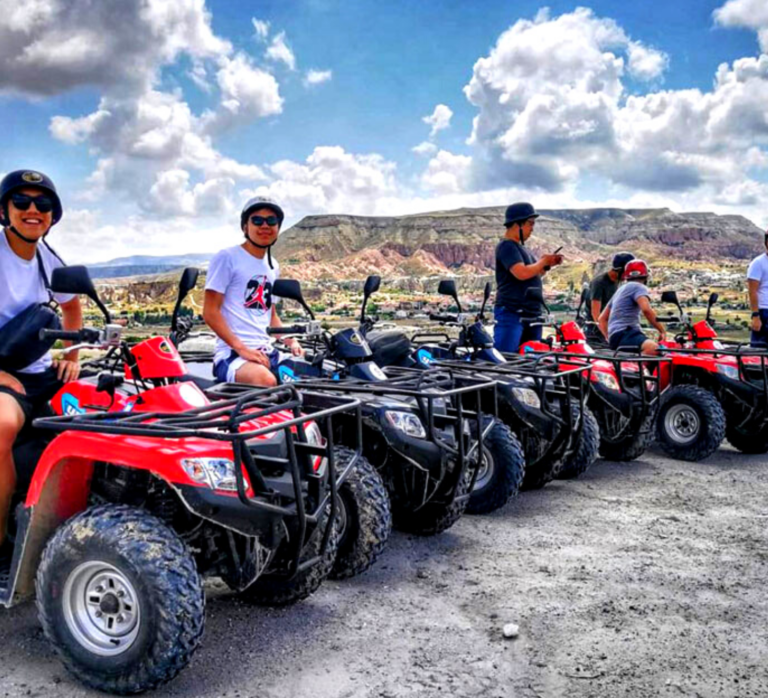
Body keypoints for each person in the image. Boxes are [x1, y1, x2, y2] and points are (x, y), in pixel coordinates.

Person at [0, 170, 82, 559]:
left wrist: (71, 354)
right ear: (5, 210)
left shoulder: (49, 261)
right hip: (3, 373)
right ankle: (1, 542)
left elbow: (72, 304)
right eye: (22, 202)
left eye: (43, 204)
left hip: (38, 371)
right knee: (3, 423)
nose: (34, 210)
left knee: (107, 405)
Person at [203, 196, 303, 387]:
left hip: (267, 351)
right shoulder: (227, 257)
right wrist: (242, 349)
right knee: (265, 381)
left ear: (278, 228)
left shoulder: (273, 266)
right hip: (233, 355)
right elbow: (210, 312)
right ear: (245, 227)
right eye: (257, 220)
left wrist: (291, 341)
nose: (265, 225)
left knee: (311, 378)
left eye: (271, 221)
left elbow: (270, 315)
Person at [493, 202, 563, 352]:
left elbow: (533, 273)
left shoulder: (522, 249)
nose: (532, 228)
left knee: (530, 362)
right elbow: (521, 273)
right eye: (530, 223)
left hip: (532, 314)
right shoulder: (507, 246)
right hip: (512, 312)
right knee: (507, 359)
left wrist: (548, 265)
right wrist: (543, 261)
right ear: (517, 224)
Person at [598, 259, 665, 355]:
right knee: (653, 348)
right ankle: (639, 370)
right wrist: (662, 330)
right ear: (645, 276)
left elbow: (602, 319)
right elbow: (646, 310)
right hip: (626, 333)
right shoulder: (639, 287)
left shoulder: (620, 290)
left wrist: (610, 338)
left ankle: (633, 367)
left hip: (616, 338)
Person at [583, 252, 635, 344]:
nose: (627, 277)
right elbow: (596, 315)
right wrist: (608, 336)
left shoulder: (618, 282)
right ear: (619, 270)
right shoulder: (599, 283)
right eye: (627, 273)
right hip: (596, 333)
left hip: (609, 326)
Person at [747, 231, 768, 347]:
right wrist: (755, 316)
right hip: (764, 312)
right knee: (758, 354)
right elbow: (752, 291)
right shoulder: (758, 263)